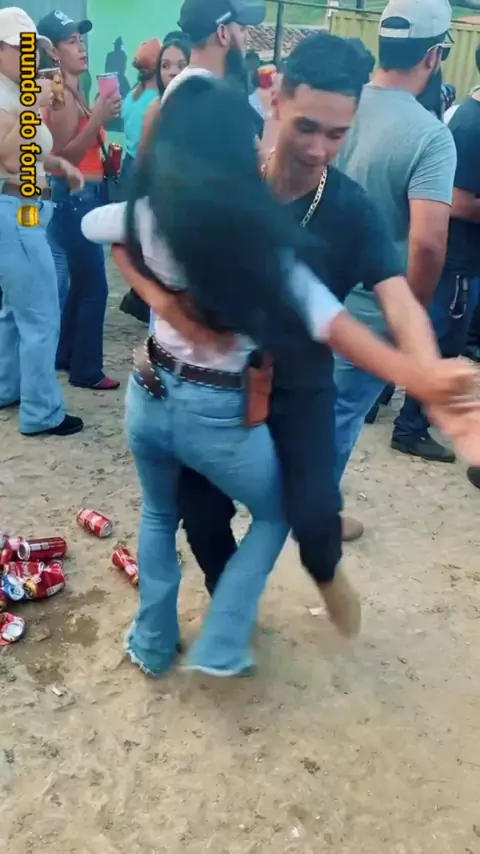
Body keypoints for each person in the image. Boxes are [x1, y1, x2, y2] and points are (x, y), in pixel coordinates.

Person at [83, 73, 478, 678]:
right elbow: (333, 322)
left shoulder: (147, 212)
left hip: (149, 392)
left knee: (159, 517)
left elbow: (95, 227)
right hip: (215, 409)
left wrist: (160, 299)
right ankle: (225, 639)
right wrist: (417, 376)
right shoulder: (258, 239)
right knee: (274, 514)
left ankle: (153, 643)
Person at [334, 0, 458, 480]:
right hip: (370, 317)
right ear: (433, 56)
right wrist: (410, 320)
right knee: (335, 426)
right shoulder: (430, 136)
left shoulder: (337, 105)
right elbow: (427, 243)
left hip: (311, 301)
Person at [0, 7, 84, 437]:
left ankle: (8, 388)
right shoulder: (7, 95)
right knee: (41, 314)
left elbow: (28, 155)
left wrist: (57, 166)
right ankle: (42, 412)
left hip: (26, 204)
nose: (30, 56)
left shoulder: (14, 92)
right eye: (22, 48)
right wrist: (35, 101)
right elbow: (10, 158)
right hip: (15, 205)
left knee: (16, 311)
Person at [37, 9, 120, 391]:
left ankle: (67, 353)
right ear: (53, 51)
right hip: (74, 196)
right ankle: (87, 369)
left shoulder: (71, 89)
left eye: (80, 38)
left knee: (79, 282)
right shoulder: (57, 94)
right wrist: (99, 117)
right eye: (72, 41)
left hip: (82, 195)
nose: (81, 46)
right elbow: (62, 158)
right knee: (94, 287)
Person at [120, 37, 191, 325]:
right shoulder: (156, 109)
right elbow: (144, 165)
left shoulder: (206, 109)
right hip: (164, 209)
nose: (172, 72)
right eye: (166, 65)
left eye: (181, 65)